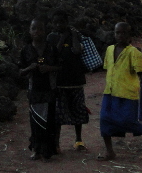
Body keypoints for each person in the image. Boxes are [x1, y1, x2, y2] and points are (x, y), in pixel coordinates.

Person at [97, 22, 142, 161]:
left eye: (124, 33)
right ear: (114, 34)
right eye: (117, 32)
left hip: (127, 93)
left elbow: (141, 72)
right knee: (104, 119)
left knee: (128, 121)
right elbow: (108, 68)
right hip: (110, 91)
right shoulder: (109, 50)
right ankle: (110, 151)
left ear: (129, 36)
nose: (120, 35)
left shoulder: (134, 52)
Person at [47, 9, 90, 153]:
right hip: (59, 81)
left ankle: (78, 140)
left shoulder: (75, 35)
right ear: (52, 24)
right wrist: (63, 37)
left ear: (67, 22)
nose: (59, 25)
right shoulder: (51, 37)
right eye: (56, 23)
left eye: (62, 22)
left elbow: (77, 50)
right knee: (58, 115)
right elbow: (54, 53)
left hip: (76, 80)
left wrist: (73, 35)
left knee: (78, 111)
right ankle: (56, 143)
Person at [19, 18, 60, 160]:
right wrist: (30, 68)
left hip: (49, 89)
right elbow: (20, 71)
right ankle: (36, 149)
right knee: (35, 120)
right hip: (34, 90)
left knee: (49, 120)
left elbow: (60, 67)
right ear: (29, 31)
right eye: (34, 28)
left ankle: (48, 150)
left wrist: (48, 68)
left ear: (45, 31)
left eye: (40, 29)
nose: (37, 32)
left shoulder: (51, 49)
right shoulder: (26, 50)